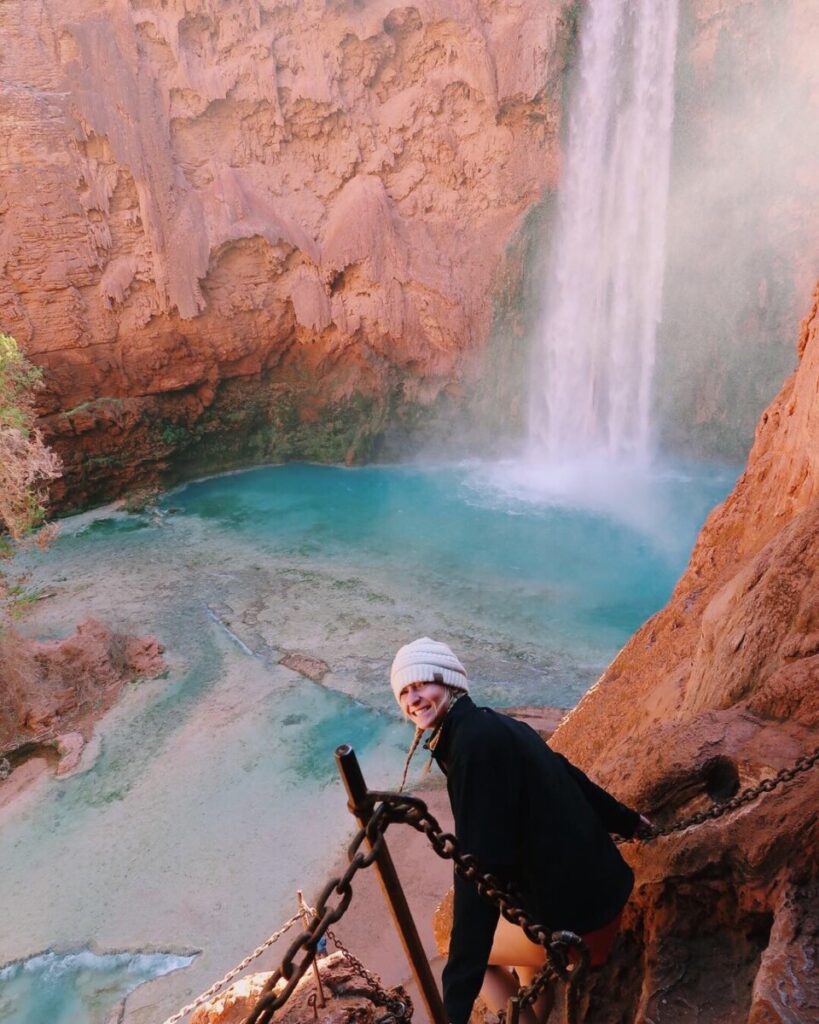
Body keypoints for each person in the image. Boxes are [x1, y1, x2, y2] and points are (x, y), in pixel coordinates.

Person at [390, 637, 649, 1024]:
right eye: (405, 692)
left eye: (423, 684)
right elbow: (568, 774)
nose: (414, 699)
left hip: (585, 924)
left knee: (471, 956)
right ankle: (535, 1014)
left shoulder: (471, 747)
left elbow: (477, 872)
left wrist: (454, 1010)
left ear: (449, 682)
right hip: (605, 891)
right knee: (516, 938)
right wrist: (630, 822)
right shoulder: (493, 725)